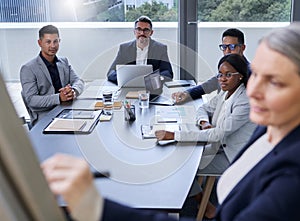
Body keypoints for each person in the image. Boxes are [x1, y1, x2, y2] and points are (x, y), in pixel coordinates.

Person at [42, 22, 300, 221]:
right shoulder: (271, 127)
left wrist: (94, 206)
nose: (254, 89)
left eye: (274, 81)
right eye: (257, 76)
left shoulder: (290, 181)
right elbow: (209, 102)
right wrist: (198, 116)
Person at [155, 53, 256, 218]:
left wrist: (173, 134)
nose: (222, 79)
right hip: (221, 146)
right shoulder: (226, 92)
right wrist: (203, 122)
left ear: (241, 76)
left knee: (182, 167)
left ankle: (203, 206)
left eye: (228, 75)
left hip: (234, 156)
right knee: (179, 159)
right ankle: (202, 200)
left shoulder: (244, 100)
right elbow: (203, 109)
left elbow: (217, 134)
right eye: (220, 74)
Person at [20, 25, 84, 126]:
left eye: (56, 41)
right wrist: (59, 98)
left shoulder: (64, 62)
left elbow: (78, 81)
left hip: (67, 112)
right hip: (45, 119)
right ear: (40, 43)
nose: (53, 46)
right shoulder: (28, 69)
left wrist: (73, 91)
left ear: (59, 41)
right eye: (48, 42)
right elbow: (31, 100)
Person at [172, 28, 251, 104]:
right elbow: (206, 86)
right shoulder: (227, 66)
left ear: (242, 48)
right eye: (224, 47)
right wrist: (186, 94)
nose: (227, 51)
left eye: (231, 47)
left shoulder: (251, 74)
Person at [106, 15, 173, 84]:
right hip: (129, 86)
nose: (142, 33)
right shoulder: (124, 48)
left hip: (152, 88)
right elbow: (111, 73)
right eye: (139, 29)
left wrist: (156, 80)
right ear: (134, 32)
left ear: (151, 32)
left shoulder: (160, 48)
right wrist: (125, 80)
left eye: (146, 30)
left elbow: (167, 73)